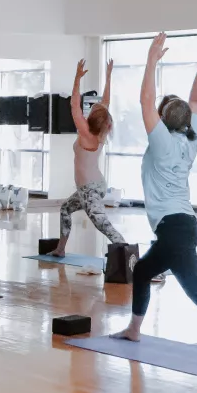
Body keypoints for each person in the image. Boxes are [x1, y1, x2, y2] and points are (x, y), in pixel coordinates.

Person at [114, 32, 197, 372]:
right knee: (141, 271)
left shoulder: (163, 144)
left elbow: (145, 102)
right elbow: (196, 99)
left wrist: (151, 61)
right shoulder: (190, 139)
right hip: (180, 226)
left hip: (175, 230)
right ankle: (134, 329)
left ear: (162, 120)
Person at [51, 58, 126, 257]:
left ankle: (128, 254)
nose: (94, 105)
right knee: (66, 209)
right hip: (95, 185)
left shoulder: (86, 133)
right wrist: (108, 76)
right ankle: (60, 250)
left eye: (93, 108)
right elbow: (106, 102)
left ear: (92, 118)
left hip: (89, 190)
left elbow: (74, 104)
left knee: (103, 225)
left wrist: (77, 79)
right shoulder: (100, 132)